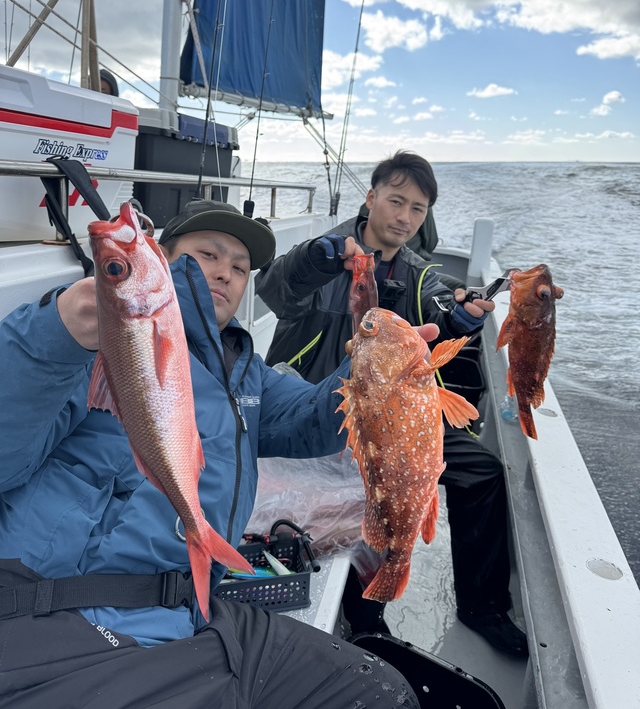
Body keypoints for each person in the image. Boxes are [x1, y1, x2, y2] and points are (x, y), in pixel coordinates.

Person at [0, 198, 421, 709]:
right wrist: (56, 334)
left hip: (190, 614)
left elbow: (315, 423)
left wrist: (379, 369)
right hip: (61, 612)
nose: (225, 273)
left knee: (378, 692)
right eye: (208, 255)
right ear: (161, 257)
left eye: (240, 268)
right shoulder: (96, 339)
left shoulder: (245, 373)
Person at [255, 151, 528, 657]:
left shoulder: (420, 274)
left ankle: (483, 606)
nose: (405, 217)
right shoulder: (325, 254)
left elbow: (439, 313)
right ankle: (365, 619)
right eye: (396, 201)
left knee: (482, 472)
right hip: (312, 406)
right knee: (363, 497)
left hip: (394, 415)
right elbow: (275, 291)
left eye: (418, 209)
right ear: (371, 196)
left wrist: (461, 319)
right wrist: (316, 258)